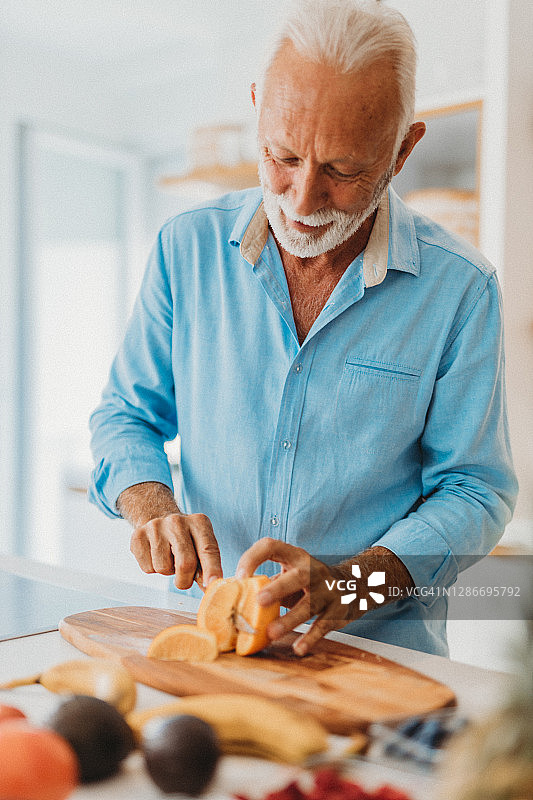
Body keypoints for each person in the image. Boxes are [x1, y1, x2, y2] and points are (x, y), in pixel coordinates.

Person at [89, 0, 518, 658]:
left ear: (402, 149)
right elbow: (126, 413)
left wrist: (353, 586)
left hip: (377, 656)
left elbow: (475, 489)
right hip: (208, 645)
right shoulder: (186, 247)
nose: (301, 198)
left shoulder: (460, 289)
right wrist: (148, 501)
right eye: (281, 155)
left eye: (342, 170)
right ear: (257, 107)